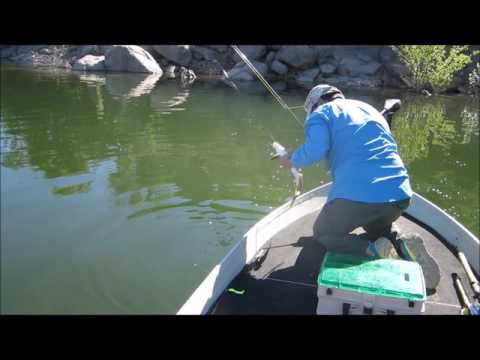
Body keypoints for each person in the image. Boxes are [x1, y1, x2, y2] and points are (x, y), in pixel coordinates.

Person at [275, 84, 439, 290]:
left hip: (358, 197)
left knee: (324, 233)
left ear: (317, 102)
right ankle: (397, 241)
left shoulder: (321, 113)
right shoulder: (369, 109)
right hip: (399, 196)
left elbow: (316, 149)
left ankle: (374, 250)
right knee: (376, 227)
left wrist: (292, 160)